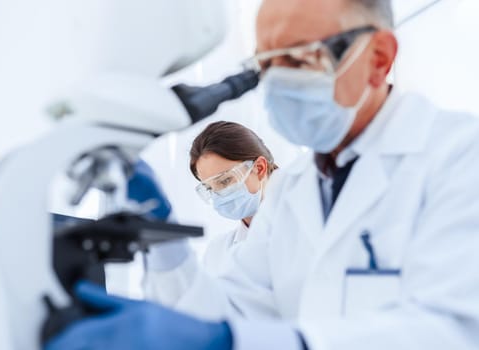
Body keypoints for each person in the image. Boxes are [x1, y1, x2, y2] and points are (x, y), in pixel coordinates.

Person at [45, 0, 479, 349]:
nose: (278, 84)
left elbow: (455, 329)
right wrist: (167, 251)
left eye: (298, 58)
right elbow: (236, 311)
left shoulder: (459, 156)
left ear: (379, 58)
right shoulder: (295, 190)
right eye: (265, 66)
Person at [190, 121, 278, 274]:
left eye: (225, 181)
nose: (219, 195)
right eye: (210, 188)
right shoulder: (217, 253)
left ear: (259, 168)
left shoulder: (307, 223)